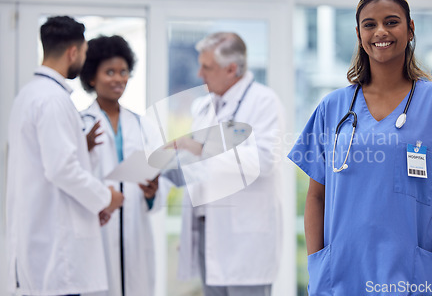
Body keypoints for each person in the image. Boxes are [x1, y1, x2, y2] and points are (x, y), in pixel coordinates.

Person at [288, 0, 432, 296]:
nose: (380, 31)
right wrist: (318, 264)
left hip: (412, 278)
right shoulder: (332, 108)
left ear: (410, 29)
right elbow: (316, 196)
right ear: (359, 34)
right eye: (369, 24)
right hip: (340, 278)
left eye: (391, 21)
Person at [6, 16, 124, 296]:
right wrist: (106, 198)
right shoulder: (53, 100)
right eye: (84, 53)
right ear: (73, 52)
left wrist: (92, 206)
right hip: (55, 254)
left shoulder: (29, 94)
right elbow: (62, 170)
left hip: (41, 240)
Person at [174, 32, 284, 296]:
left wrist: (203, 148)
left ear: (232, 68)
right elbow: (197, 166)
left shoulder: (263, 101)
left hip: (246, 238)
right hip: (207, 228)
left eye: (207, 67)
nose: (200, 74)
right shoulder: (203, 107)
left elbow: (265, 159)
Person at [79, 35, 167, 296]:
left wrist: (152, 193)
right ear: (92, 78)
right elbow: (69, 174)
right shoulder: (80, 123)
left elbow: (156, 181)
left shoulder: (142, 125)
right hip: (97, 228)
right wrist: (82, 147)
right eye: (109, 72)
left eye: (123, 71)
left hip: (135, 229)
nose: (118, 78)